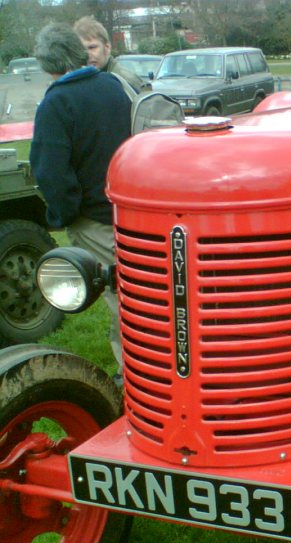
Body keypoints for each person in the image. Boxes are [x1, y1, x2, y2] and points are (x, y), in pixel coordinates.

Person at [30, 22, 131, 379]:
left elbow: (51, 173)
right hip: (130, 211)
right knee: (144, 291)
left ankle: (133, 377)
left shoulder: (56, 103)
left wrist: (65, 215)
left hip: (93, 217)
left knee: (123, 299)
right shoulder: (112, 86)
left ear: (48, 64)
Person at [73, 15, 146, 93]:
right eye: (81, 50)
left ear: (107, 47)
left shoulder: (125, 82)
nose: (87, 54)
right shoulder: (77, 83)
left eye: (92, 47)